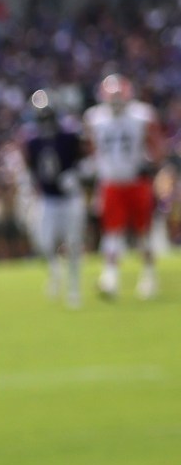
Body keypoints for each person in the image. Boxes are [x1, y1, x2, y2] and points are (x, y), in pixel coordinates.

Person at [82, 72, 163, 301]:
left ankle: (148, 275)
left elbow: (156, 147)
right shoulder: (95, 118)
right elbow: (90, 148)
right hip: (111, 182)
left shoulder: (142, 115)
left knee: (143, 232)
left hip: (137, 181)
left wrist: (152, 163)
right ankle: (111, 276)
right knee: (112, 231)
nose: (116, 101)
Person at [21, 88, 87, 309]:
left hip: (71, 199)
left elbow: (85, 161)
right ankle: (55, 271)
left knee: (74, 244)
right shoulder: (32, 141)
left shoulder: (69, 136)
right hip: (48, 199)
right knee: (45, 242)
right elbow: (30, 169)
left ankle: (74, 289)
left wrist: (76, 175)